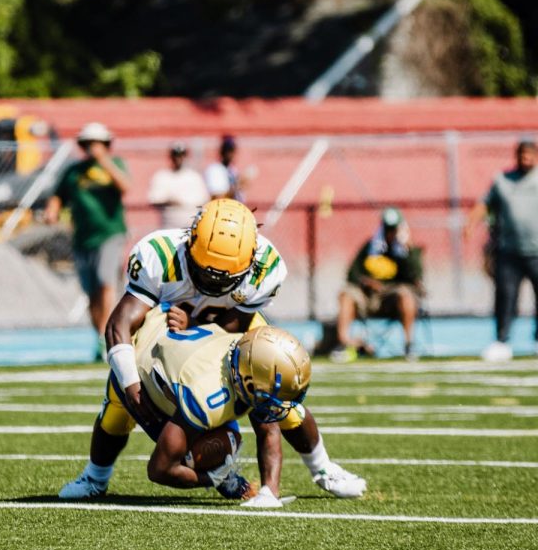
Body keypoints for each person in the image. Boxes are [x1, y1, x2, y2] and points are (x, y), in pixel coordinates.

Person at [59, 198, 365, 502]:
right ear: (190, 243)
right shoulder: (159, 254)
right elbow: (119, 324)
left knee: (274, 391)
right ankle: (95, 477)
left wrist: (193, 321)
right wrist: (131, 386)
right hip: (166, 331)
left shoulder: (266, 267)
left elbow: (236, 323)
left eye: (222, 278)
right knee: (119, 397)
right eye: (203, 272)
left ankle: (323, 469)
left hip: (229, 330)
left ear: (249, 261)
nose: (210, 282)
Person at [115, 306, 312, 506]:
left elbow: (269, 430)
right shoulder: (206, 397)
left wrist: (269, 493)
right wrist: (209, 478)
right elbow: (160, 469)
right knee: (219, 448)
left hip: (167, 336)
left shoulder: (244, 351)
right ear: (249, 382)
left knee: (231, 429)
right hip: (140, 372)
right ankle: (95, 476)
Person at [44, 122, 130, 359]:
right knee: (91, 292)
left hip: (110, 233)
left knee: (105, 281)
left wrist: (104, 162)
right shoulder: (74, 172)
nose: (93, 148)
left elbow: (125, 186)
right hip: (83, 238)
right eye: (90, 143)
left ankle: (107, 335)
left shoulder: (116, 165)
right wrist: (52, 210)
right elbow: (57, 196)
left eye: (98, 143)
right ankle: (100, 337)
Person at [464, 139, 538, 361]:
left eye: (530, 154)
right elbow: (484, 204)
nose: (526, 158)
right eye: (522, 154)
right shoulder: (502, 180)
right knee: (505, 297)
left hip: (537, 251)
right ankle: (502, 340)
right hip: (509, 251)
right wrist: (470, 224)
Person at [332, 207, 424, 361]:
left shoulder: (406, 251)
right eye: (388, 229)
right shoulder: (370, 247)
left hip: (391, 299)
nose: (390, 233)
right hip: (367, 297)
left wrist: (408, 249)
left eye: (393, 229)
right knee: (346, 294)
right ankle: (344, 343)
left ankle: (408, 345)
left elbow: (415, 277)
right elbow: (352, 274)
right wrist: (367, 283)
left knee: (405, 296)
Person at [147, 141, 208, 229]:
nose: (178, 158)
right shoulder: (162, 176)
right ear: (171, 156)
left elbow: (203, 200)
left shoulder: (194, 177)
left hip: (190, 227)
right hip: (169, 227)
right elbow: (154, 199)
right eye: (176, 155)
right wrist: (170, 201)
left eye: (181, 155)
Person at [204, 134, 255, 202]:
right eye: (227, 150)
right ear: (222, 151)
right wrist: (238, 185)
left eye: (232, 150)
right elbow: (217, 197)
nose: (230, 154)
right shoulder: (214, 170)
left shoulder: (233, 170)